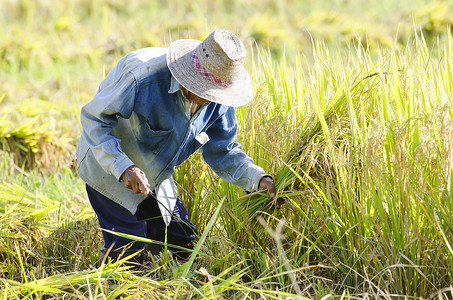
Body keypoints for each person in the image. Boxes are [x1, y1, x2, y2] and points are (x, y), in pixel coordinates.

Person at [76, 29, 277, 267]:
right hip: (108, 166)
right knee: (129, 251)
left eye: (213, 94)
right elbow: (94, 119)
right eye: (202, 90)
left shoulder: (219, 99)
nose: (207, 99)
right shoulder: (143, 78)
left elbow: (223, 151)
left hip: (156, 176)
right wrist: (124, 167)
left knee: (184, 245)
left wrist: (257, 178)